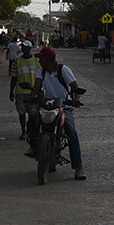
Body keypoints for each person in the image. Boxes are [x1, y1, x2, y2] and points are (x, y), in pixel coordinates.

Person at [24, 47, 86, 180]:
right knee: (33, 114)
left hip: (63, 106)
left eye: (40, 58)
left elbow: (75, 87)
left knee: (72, 134)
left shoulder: (63, 70)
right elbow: (37, 86)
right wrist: (32, 96)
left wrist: (75, 99)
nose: (39, 61)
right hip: (46, 105)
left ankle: (78, 167)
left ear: (47, 60)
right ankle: (33, 146)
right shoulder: (42, 70)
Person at [9, 40, 40, 140]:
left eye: (25, 47)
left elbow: (40, 78)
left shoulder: (36, 61)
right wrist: (11, 92)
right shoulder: (18, 61)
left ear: (30, 48)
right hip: (20, 92)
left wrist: (39, 90)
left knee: (32, 114)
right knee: (21, 113)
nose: (23, 49)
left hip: (32, 92)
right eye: (22, 47)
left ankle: (29, 130)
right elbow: (14, 77)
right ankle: (23, 132)